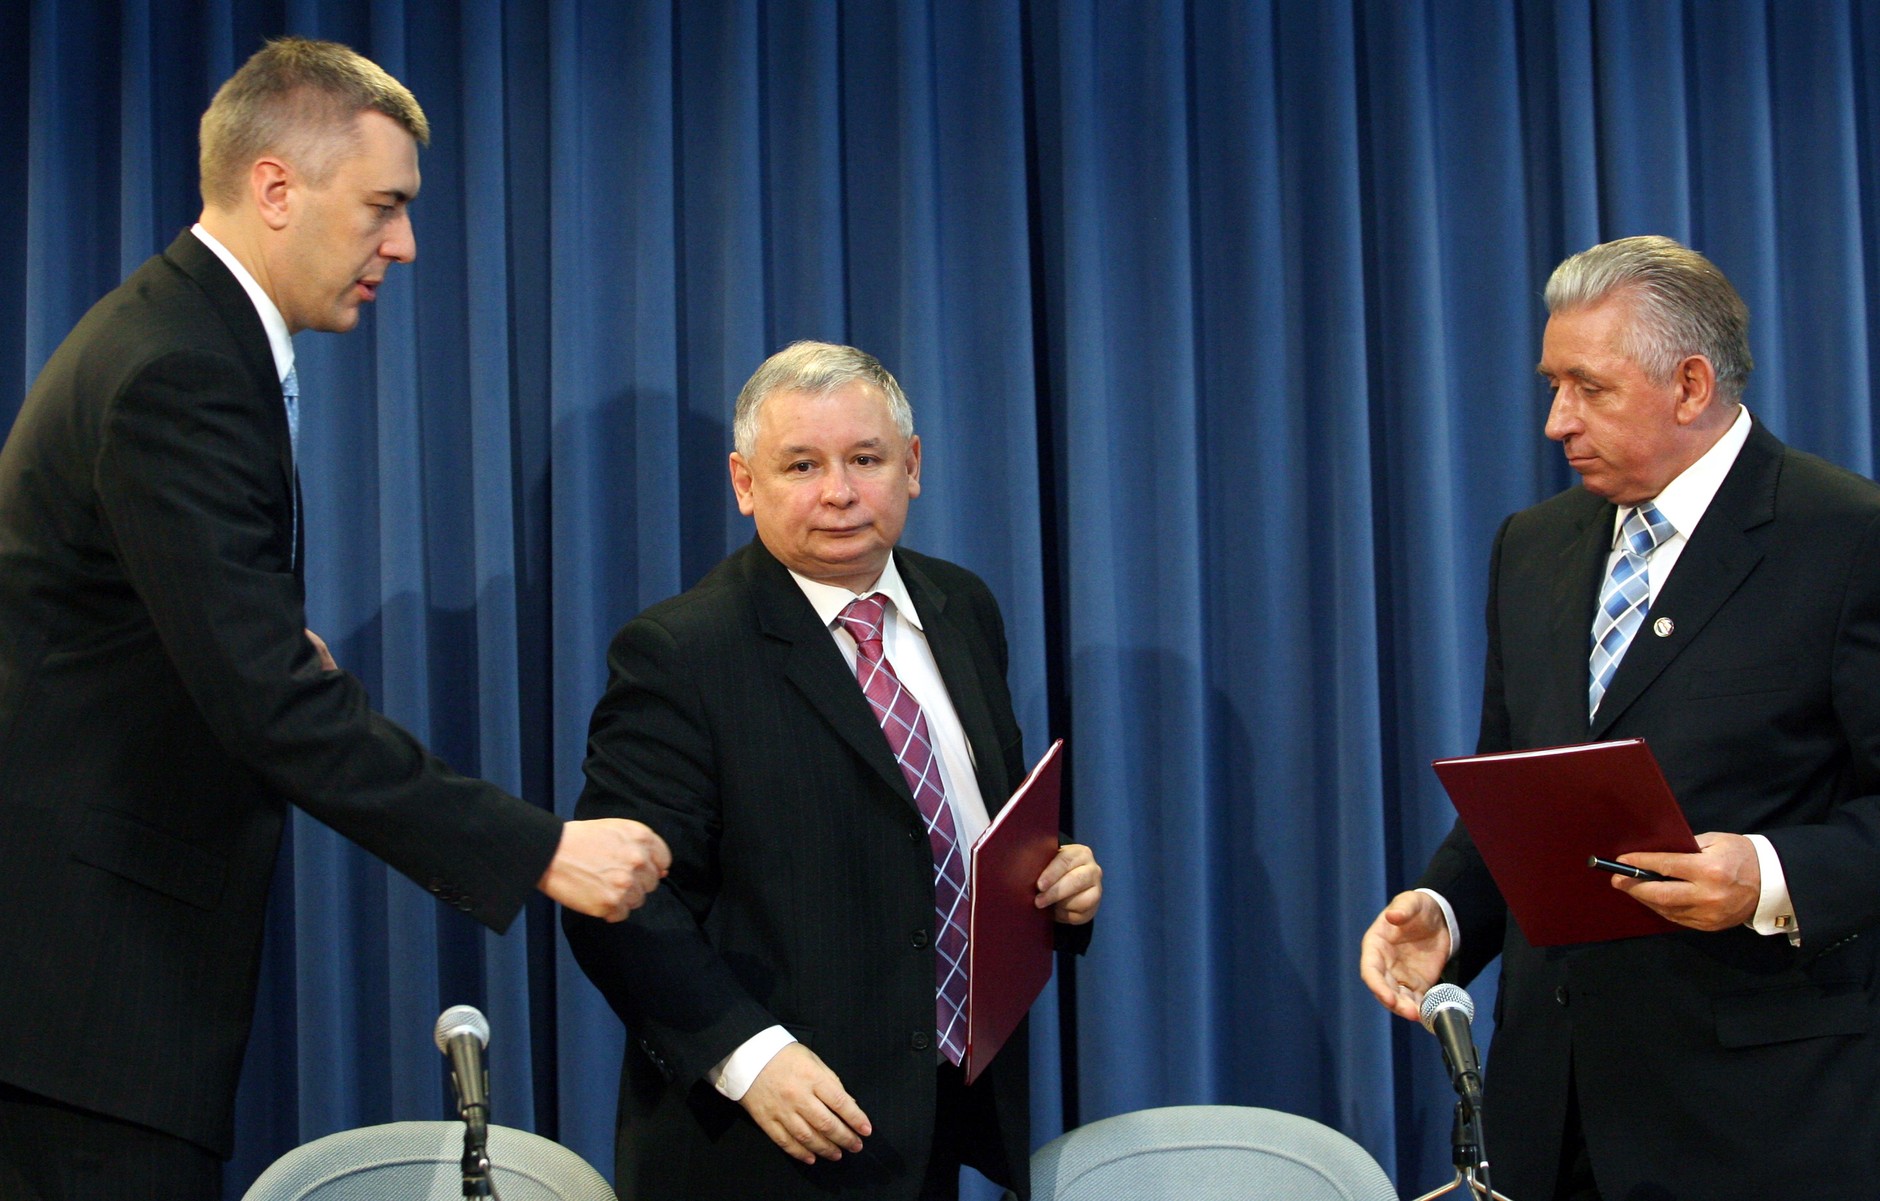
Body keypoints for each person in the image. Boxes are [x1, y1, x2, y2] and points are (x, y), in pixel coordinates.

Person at [0, 38, 669, 1200]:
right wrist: (542, 848)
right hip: (81, 1009)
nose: (402, 245)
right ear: (275, 188)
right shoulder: (179, 368)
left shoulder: (180, 335)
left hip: (82, 1005)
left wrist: (238, 647)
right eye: (383, 206)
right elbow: (269, 701)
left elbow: (194, 647)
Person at [1359, 235, 1880, 1199]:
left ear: (1690, 385)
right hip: (1552, 1114)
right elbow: (1519, 787)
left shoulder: (1847, 537)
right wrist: (1447, 911)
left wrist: (1768, 873)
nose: (1557, 420)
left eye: (1589, 388)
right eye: (1553, 385)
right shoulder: (1533, 545)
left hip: (1760, 1120)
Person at [563, 341, 1103, 1200]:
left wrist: (1053, 874)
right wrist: (750, 1057)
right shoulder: (681, 652)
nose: (840, 492)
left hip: (943, 1113)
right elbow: (619, 904)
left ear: (912, 465)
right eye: (802, 465)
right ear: (744, 483)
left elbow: (959, 817)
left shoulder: (962, 606)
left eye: (866, 459)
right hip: (770, 1142)